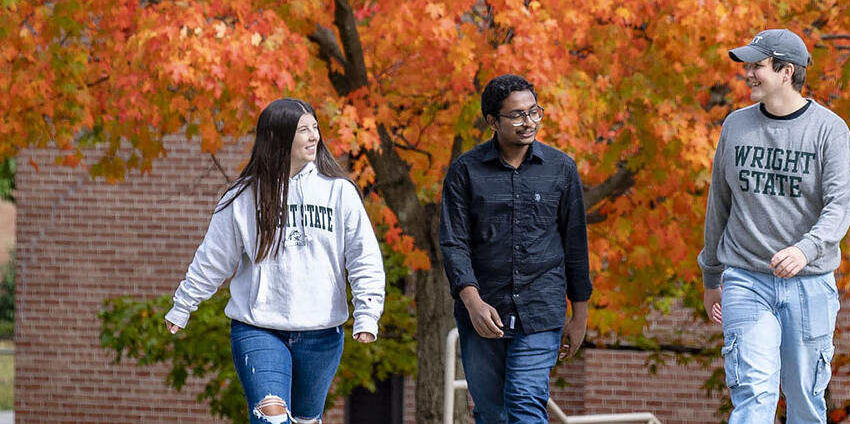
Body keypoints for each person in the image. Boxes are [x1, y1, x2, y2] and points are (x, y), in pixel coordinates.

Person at [164, 98, 385, 424]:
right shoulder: (243, 196)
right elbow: (213, 259)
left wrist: (367, 313)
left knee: (306, 420)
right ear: (278, 137)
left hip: (321, 333)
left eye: (315, 128)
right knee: (271, 417)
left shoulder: (339, 192)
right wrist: (183, 304)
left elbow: (363, 256)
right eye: (303, 130)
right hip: (259, 327)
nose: (314, 136)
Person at [699, 29, 850, 424]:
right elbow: (719, 204)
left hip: (810, 283)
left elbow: (840, 205)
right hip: (746, 280)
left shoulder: (829, 131)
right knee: (754, 391)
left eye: (757, 66)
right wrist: (711, 277)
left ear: (786, 71)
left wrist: (806, 249)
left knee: (805, 399)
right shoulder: (736, 126)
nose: (748, 74)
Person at [439, 74, 592, 424]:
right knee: (492, 412)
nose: (529, 122)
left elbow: (575, 246)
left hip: (541, 309)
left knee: (525, 398)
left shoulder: (561, 169)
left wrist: (579, 316)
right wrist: (473, 302)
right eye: (517, 115)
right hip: (483, 311)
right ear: (493, 121)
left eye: (534, 112)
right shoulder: (465, 171)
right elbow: (454, 242)